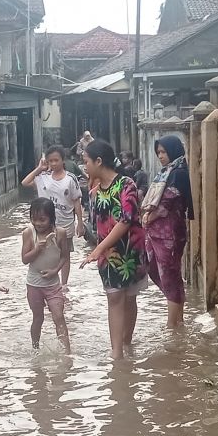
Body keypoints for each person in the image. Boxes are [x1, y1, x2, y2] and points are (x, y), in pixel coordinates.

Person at [79, 140, 147, 360]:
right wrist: (97, 251)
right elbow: (95, 225)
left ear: (99, 161)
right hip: (107, 256)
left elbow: (126, 220)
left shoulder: (127, 184)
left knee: (129, 298)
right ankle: (117, 352)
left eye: (86, 162)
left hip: (130, 252)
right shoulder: (94, 192)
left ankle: (127, 342)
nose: (84, 167)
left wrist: (98, 249)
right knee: (114, 298)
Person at [143, 135, 194, 328]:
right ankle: (178, 321)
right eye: (158, 153)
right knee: (159, 272)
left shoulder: (178, 173)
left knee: (169, 276)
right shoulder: (168, 172)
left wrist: (150, 217)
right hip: (158, 233)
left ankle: (173, 326)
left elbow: (168, 201)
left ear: (173, 150)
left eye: (164, 152)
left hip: (169, 233)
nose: (161, 156)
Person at [22, 145, 83, 289]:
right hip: (43, 223)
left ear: (63, 160)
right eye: (50, 161)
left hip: (65, 222)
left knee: (64, 253)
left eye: (56, 160)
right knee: (42, 249)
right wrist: (39, 169)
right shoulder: (42, 178)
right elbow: (24, 183)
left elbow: (76, 202)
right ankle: (42, 278)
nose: (53, 163)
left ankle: (64, 284)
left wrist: (80, 223)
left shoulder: (70, 179)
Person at [22, 198, 71, 352]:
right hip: (34, 284)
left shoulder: (60, 233)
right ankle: (35, 349)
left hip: (53, 284)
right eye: (34, 219)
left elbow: (64, 256)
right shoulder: (28, 233)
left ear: (51, 218)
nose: (38, 223)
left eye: (42, 219)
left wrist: (55, 271)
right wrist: (37, 249)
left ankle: (66, 353)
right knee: (38, 318)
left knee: (59, 317)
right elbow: (24, 259)